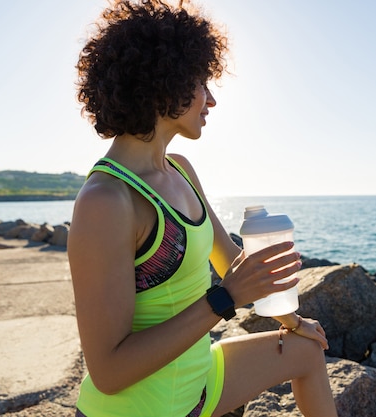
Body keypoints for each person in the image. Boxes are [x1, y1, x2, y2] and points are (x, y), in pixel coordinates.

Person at [68, 1, 339, 416]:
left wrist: (294, 321)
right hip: (142, 408)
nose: (210, 100)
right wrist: (225, 298)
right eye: (201, 83)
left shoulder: (181, 170)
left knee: (305, 351)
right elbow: (109, 371)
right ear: (164, 83)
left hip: (199, 381)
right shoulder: (106, 201)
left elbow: (231, 261)